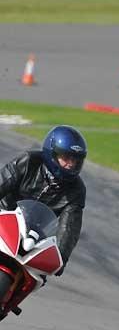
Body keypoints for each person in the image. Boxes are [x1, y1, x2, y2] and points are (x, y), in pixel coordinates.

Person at [0, 126, 87, 311]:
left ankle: (10, 300)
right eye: (66, 158)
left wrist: (62, 256)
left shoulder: (76, 190)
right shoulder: (29, 161)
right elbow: (2, 180)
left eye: (75, 160)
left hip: (36, 233)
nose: (71, 165)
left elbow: (70, 226)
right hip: (5, 216)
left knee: (39, 275)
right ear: (52, 154)